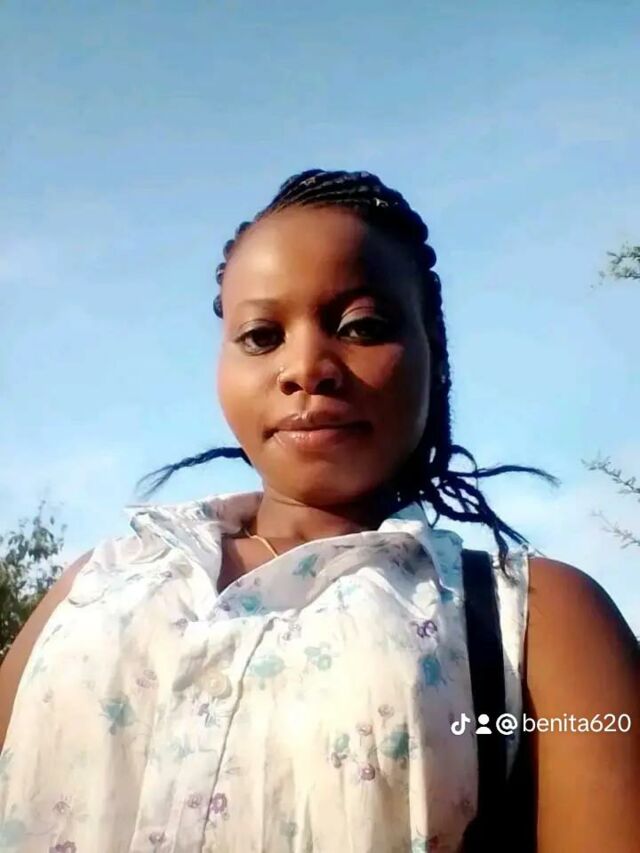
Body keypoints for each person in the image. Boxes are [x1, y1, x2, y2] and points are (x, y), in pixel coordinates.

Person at [0, 169, 638, 852]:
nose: (306, 367)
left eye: (362, 326)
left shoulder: (536, 622)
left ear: (433, 353)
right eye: (260, 336)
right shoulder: (91, 589)